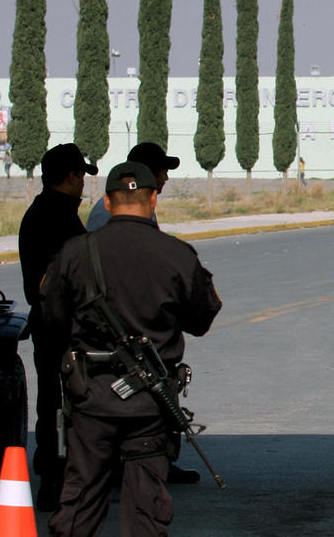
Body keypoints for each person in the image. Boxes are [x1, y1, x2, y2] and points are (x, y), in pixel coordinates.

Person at [43, 161, 222, 536]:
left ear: (107, 202)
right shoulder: (177, 255)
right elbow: (202, 319)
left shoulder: (76, 253)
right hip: (150, 403)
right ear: (153, 199)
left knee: (81, 498)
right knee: (146, 505)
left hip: (90, 398)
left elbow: (54, 321)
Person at [17, 143, 98, 512]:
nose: (83, 183)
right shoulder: (57, 217)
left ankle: (57, 474)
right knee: (62, 404)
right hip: (61, 326)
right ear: (71, 176)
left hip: (52, 323)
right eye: (81, 175)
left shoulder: (44, 212)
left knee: (53, 403)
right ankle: (57, 477)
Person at [85, 141, 179, 232]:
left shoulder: (139, 205)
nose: (166, 178)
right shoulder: (110, 210)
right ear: (150, 175)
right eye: (165, 172)